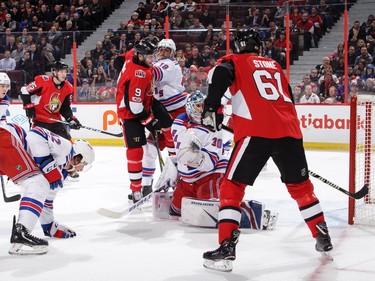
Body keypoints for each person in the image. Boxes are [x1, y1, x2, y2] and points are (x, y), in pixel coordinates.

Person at [200, 29, 333, 272]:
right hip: (290, 132)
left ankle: (227, 246)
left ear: (240, 46)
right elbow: (285, 99)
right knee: (302, 189)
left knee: (232, 187)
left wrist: (211, 107)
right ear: (259, 48)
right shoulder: (274, 66)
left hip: (256, 132)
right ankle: (322, 235)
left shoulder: (233, 61)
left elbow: (220, 73)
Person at [116, 39, 173, 203]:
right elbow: (134, 107)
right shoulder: (138, 74)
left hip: (146, 101)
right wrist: (150, 122)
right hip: (130, 113)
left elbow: (119, 60)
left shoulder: (132, 56)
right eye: (150, 56)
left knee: (167, 121)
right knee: (136, 151)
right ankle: (136, 191)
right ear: (140, 57)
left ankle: (174, 158)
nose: (153, 59)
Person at [141, 38, 187, 197]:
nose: (162, 52)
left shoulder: (170, 65)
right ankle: (146, 186)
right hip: (160, 112)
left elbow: (153, 74)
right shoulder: (154, 63)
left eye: (166, 50)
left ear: (172, 54)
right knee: (149, 150)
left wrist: (135, 67)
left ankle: (179, 183)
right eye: (160, 49)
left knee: (176, 152)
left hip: (176, 113)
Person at [20, 61, 82, 140]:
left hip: (56, 121)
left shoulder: (68, 87)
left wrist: (71, 119)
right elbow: (24, 90)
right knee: (38, 147)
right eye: (61, 71)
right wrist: (29, 107)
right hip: (40, 121)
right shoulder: (43, 82)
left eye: (65, 72)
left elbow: (64, 107)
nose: (64, 74)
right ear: (54, 72)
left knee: (68, 145)